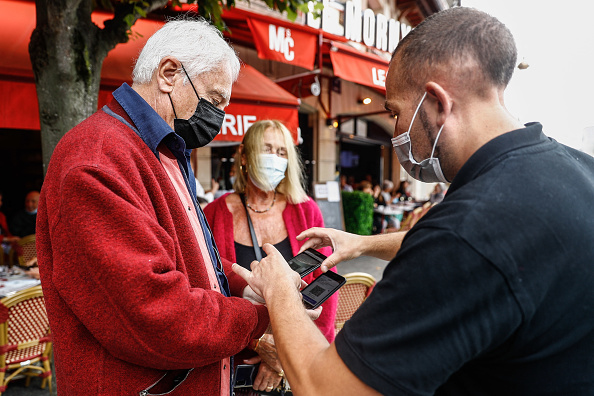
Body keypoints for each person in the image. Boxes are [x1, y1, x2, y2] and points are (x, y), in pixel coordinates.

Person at [230, 7, 594, 395]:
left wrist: (280, 289)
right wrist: (364, 244)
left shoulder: (465, 231)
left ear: (436, 102)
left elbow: (326, 388)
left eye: (394, 112)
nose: (395, 133)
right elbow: (497, 246)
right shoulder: (576, 170)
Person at [36, 18, 273, 395]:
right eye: (214, 99)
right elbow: (156, 315)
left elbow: (186, 253)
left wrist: (249, 283)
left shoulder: (164, 150)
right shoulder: (96, 159)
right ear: (168, 73)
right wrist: (262, 314)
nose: (218, 116)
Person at [203, 119, 338, 391]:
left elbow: (325, 291)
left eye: (281, 152)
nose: (274, 158)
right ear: (244, 155)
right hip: (233, 361)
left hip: (298, 363)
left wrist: (286, 358)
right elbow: (206, 286)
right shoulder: (213, 214)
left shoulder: (306, 210)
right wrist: (258, 342)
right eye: (266, 149)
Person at [0, 191, 20, 260]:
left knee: (19, 248)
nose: (0, 203)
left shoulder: (1, 216)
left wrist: (12, 239)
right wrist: (6, 239)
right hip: (2, 244)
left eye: (1, 200)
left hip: (4, 244)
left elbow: (6, 232)